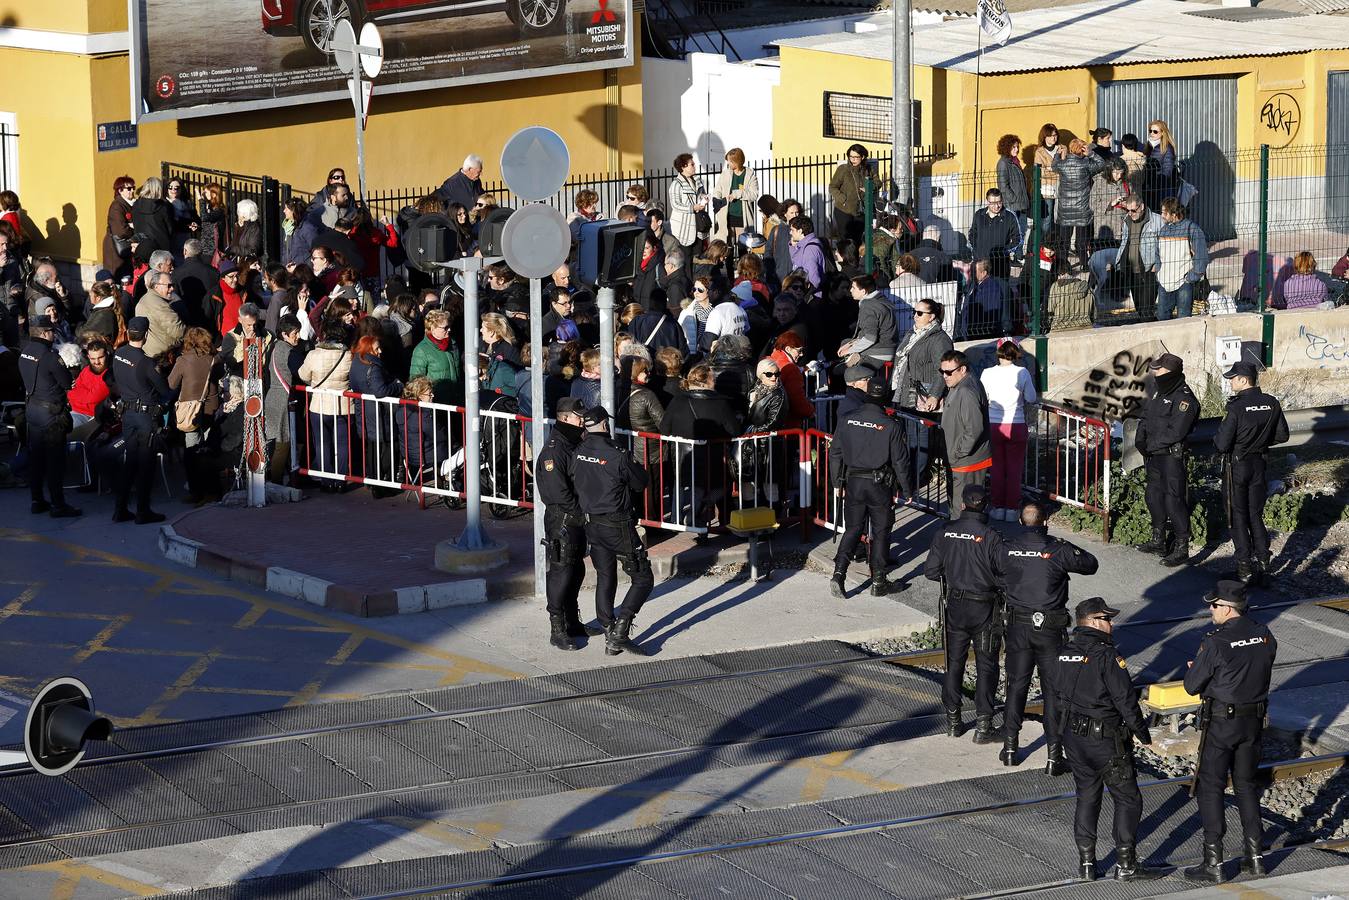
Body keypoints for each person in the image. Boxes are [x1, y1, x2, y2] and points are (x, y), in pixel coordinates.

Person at [1052, 597, 1162, 883]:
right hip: (1105, 741)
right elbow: (1125, 699)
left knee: (1087, 796)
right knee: (1128, 798)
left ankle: (1087, 863)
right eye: (1107, 619)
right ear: (1092, 622)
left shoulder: (1064, 653)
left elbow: (1056, 697)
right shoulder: (1107, 655)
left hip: (1074, 738)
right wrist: (1142, 732)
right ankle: (1126, 864)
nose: (1111, 624)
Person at [1182, 580, 1278, 883]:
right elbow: (1257, 670)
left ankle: (1214, 862)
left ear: (1226, 608)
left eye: (1213, 605)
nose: (1210, 610)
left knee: (1210, 786)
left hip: (1223, 723)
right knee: (1246, 785)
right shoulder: (1264, 634)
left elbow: (1191, 685)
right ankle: (1255, 857)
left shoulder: (1215, 641)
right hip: (1254, 721)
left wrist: (1199, 669)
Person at [1000, 500, 1099, 770]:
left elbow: (993, 571)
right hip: (1050, 630)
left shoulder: (1008, 549)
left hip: (1019, 627)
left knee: (1016, 685)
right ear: (1045, 522)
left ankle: (1010, 747)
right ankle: (1054, 756)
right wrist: (1063, 546)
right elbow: (1091, 564)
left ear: (1021, 523)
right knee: (1053, 691)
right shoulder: (1057, 549)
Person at [924, 483, 1005, 743]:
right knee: (987, 666)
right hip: (984, 608)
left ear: (962, 505)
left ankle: (953, 720)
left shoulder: (946, 532)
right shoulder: (991, 536)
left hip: (956, 607)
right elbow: (1005, 574)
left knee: (953, 664)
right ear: (986, 505)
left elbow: (931, 571)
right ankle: (983, 725)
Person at [573, 405, 653, 656]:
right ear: (605, 425)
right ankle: (620, 631)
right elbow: (640, 482)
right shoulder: (617, 453)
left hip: (592, 524)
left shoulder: (579, 450)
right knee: (643, 578)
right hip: (617, 524)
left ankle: (607, 624)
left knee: (605, 574)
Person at [829, 367, 913, 598]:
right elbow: (900, 462)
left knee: (853, 529)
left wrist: (837, 482)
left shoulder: (847, 420)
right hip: (879, 485)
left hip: (853, 482)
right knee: (881, 531)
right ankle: (878, 581)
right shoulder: (891, 426)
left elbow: (834, 452)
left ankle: (839, 573)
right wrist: (906, 490)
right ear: (885, 397)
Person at [535, 397, 603, 651]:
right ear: (564, 418)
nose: (582, 421)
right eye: (578, 417)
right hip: (562, 519)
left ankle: (573, 621)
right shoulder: (554, 449)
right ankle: (558, 628)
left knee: (576, 571)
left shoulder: (574, 442)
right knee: (561, 572)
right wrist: (580, 514)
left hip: (577, 517)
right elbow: (557, 493)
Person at [1214, 362, 1289, 586]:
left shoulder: (1236, 408)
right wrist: (1261, 443)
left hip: (1237, 466)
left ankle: (1244, 568)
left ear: (1244, 380)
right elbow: (1282, 436)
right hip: (1259, 464)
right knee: (1255, 514)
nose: (1230, 382)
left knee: (1237, 516)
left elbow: (1222, 443)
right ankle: (1263, 562)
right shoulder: (1271, 403)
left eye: (1233, 378)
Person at [1135, 352, 1199, 566]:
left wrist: (1151, 446)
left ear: (1170, 372)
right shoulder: (1158, 393)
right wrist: (1140, 441)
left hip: (1171, 456)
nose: (1155, 372)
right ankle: (1158, 540)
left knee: (1174, 500)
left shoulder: (1184, 398)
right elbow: (1145, 418)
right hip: (1153, 456)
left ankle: (1182, 547)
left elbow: (1176, 431)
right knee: (1153, 496)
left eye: (1159, 369)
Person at [18, 319, 81, 518]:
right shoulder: (50, 356)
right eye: (52, 332)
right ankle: (58, 505)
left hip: (33, 411)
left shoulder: (25, 353)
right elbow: (66, 382)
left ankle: (37, 500)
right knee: (55, 462)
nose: (54, 335)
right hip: (51, 415)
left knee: (36, 459)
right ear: (45, 333)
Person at [111, 317, 171, 524]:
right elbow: (165, 391)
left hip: (127, 415)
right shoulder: (146, 362)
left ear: (128, 333)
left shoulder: (118, 354)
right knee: (145, 466)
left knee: (130, 462)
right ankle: (143, 511)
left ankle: (120, 509)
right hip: (145, 417)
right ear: (146, 336)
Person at [981, 340, 1037, 520]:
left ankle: (997, 507)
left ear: (997, 351)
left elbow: (983, 398)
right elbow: (1031, 397)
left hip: (994, 425)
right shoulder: (1022, 372)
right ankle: (1012, 510)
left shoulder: (987, 373)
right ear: (1016, 352)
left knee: (996, 468)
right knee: (1014, 469)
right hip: (1017, 424)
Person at [298, 320, 355, 489]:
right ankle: (341, 480)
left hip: (319, 405)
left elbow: (303, 375)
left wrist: (315, 382)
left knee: (322, 444)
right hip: (343, 405)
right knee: (343, 445)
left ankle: (326, 481)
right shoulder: (348, 356)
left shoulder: (314, 355)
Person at [938, 350, 992, 518]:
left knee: (964, 510)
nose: (945, 376)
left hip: (967, 461)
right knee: (960, 507)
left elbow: (974, 429)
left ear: (962, 369)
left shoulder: (966, 391)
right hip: (964, 460)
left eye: (948, 372)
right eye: (942, 372)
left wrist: (957, 453)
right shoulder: (961, 384)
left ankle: (962, 541)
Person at [1088, 196, 1161, 316]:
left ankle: (1146, 325)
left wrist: (1157, 264)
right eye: (1128, 210)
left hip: (1149, 270)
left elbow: (1164, 244)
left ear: (1141, 206)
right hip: (1132, 270)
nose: (1130, 214)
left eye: (1133, 210)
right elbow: (1125, 242)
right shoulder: (1127, 220)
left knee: (1147, 308)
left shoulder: (1157, 221)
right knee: (1139, 307)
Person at [1053, 139, 1110, 271]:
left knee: (1064, 241)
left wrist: (1058, 154)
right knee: (1082, 241)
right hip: (1082, 208)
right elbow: (1101, 164)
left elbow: (1054, 165)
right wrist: (1091, 154)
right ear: (1082, 150)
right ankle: (1084, 264)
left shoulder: (1063, 164)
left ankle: (1062, 265)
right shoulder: (1086, 164)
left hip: (1065, 208)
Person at [892, 298, 954, 413]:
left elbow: (943, 370)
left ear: (931, 317)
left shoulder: (939, 339)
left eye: (920, 313)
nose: (915, 316)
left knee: (921, 428)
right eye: (914, 312)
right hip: (907, 390)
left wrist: (935, 395)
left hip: (924, 395)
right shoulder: (912, 333)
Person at [1155, 197, 1209, 320]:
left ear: (1174, 214)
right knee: (1162, 319)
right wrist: (1159, 273)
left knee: (1183, 320)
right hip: (1164, 282)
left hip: (1183, 283)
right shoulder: (1163, 231)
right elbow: (1157, 253)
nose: (1161, 215)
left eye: (1164, 212)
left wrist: (1191, 277)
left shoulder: (1192, 229)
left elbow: (1201, 257)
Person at [838, 273, 897, 372]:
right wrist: (851, 344)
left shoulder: (868, 306)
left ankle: (852, 360)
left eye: (853, 288)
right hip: (889, 347)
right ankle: (852, 357)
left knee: (840, 373)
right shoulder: (882, 300)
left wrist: (849, 350)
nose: (850, 290)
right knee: (846, 342)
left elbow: (870, 338)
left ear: (863, 291)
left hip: (878, 352)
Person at [409, 309, 463, 404]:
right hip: (436, 403)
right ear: (433, 329)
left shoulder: (453, 344)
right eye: (445, 328)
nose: (449, 329)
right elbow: (416, 382)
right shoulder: (421, 350)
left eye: (449, 326)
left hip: (456, 400)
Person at [668, 153, 707, 280]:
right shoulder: (676, 184)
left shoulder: (698, 180)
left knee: (698, 257)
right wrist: (692, 208)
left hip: (698, 226)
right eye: (692, 164)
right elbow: (675, 205)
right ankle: (687, 285)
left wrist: (704, 200)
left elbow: (701, 195)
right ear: (683, 167)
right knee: (686, 258)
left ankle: (697, 282)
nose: (694, 166)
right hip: (684, 227)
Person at [968, 189, 1022, 280]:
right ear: (987, 202)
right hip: (980, 263)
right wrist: (977, 251)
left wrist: (1004, 252)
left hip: (1000, 265)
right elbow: (972, 234)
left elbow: (1018, 239)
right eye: (993, 203)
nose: (996, 206)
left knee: (1000, 291)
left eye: (999, 202)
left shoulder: (1010, 216)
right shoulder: (979, 214)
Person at [712, 147, 759, 246]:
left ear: (737, 162)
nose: (728, 164)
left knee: (743, 246)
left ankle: (742, 262)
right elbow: (718, 190)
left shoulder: (750, 175)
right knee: (727, 246)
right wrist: (716, 198)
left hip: (743, 217)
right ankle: (729, 262)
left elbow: (754, 195)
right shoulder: (725, 174)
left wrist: (737, 194)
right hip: (727, 216)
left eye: (730, 161)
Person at [136, 271, 187, 361]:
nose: (172, 289)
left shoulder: (144, 299)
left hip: (149, 352)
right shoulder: (160, 305)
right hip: (162, 356)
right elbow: (178, 331)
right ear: (156, 286)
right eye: (169, 285)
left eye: (173, 285)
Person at [829, 143, 873, 244]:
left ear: (862, 157)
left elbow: (877, 182)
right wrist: (843, 199)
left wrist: (869, 187)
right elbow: (832, 187)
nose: (853, 159)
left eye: (856, 157)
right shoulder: (843, 169)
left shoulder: (868, 169)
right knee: (845, 239)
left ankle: (855, 259)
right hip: (843, 210)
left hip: (861, 210)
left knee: (857, 238)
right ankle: (845, 259)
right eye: (851, 156)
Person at [68, 339, 113, 428]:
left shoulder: (109, 375)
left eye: (100, 357)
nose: (96, 362)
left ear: (106, 354)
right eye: (93, 358)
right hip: (73, 411)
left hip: (88, 416)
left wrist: (75, 392)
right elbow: (71, 390)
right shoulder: (86, 369)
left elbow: (92, 397)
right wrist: (78, 392)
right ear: (88, 357)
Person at [996, 134, 1030, 239]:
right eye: (1013, 147)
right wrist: (1013, 198)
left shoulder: (1014, 161)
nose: (1017, 149)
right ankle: (1008, 254)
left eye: (1017, 147)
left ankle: (1018, 255)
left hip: (1021, 203)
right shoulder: (1003, 163)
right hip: (1012, 204)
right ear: (1006, 148)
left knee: (1021, 232)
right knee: (1011, 233)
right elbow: (1003, 185)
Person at [130, 177, 175, 258]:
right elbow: (170, 228)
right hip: (161, 246)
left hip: (142, 244)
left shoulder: (136, 204)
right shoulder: (163, 206)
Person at [1035, 123, 1067, 227]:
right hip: (1047, 188)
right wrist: (1055, 169)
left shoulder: (1062, 148)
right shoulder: (1039, 152)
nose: (1054, 138)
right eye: (1051, 135)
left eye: (1055, 135)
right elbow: (1041, 172)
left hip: (1061, 186)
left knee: (1059, 217)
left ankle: (1056, 241)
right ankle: (1044, 242)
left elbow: (1065, 167)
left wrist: (1050, 169)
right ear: (1044, 137)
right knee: (1047, 219)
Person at [104, 175, 137, 279]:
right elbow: (121, 231)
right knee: (120, 278)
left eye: (133, 188)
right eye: (129, 188)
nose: (132, 191)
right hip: (116, 249)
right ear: (120, 190)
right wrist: (134, 228)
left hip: (126, 248)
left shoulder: (131, 204)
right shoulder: (117, 206)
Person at [1145, 119, 1179, 210]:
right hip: (1150, 188)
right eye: (1150, 131)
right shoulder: (1150, 146)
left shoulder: (1167, 148)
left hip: (1162, 188)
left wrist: (1156, 183)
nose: (1152, 133)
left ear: (1163, 133)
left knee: (1162, 213)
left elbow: (1167, 170)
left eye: (1155, 131)